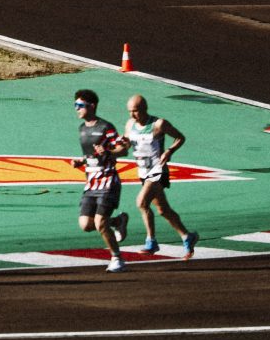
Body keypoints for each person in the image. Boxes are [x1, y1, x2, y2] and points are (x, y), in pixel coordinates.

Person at [123, 95, 198, 258]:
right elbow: (126, 146)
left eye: (135, 111)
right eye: (130, 111)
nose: (132, 115)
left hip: (158, 171)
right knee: (163, 210)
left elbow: (180, 137)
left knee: (142, 203)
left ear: (144, 109)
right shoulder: (130, 125)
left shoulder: (158, 124)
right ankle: (187, 236)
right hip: (142, 172)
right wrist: (113, 148)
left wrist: (169, 151)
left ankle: (151, 242)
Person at [70, 88, 131, 272]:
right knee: (86, 225)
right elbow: (90, 154)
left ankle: (117, 258)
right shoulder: (81, 129)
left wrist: (110, 152)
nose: (77, 109)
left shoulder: (105, 127)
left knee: (99, 222)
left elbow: (124, 149)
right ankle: (118, 222)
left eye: (80, 105)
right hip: (91, 181)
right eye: (75, 105)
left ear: (92, 106)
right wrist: (80, 160)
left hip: (108, 180)